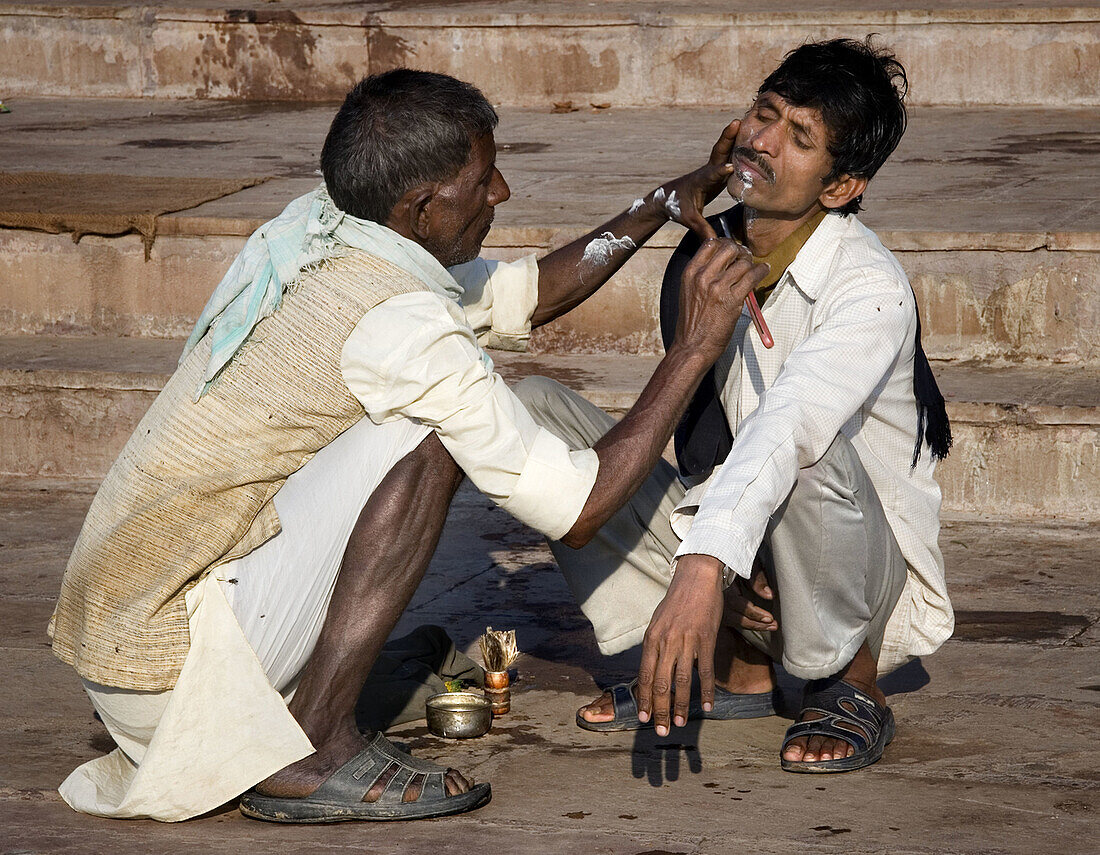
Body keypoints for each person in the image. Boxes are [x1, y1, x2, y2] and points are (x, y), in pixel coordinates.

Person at [48, 69, 767, 823]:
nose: (503, 194)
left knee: (431, 414)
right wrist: (693, 348)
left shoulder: (323, 228)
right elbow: (580, 507)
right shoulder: (403, 323)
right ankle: (314, 744)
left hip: (124, 649)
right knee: (436, 436)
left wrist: (659, 201)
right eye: (484, 180)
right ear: (422, 208)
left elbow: (529, 292)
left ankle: (289, 693)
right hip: (166, 671)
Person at [521, 37, 954, 773]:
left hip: (852, 567)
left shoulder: (867, 288)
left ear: (841, 187)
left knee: (808, 449)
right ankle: (735, 672)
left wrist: (702, 569)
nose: (763, 140)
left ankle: (854, 686)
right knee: (528, 410)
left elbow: (787, 428)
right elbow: (698, 441)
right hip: (747, 561)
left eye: (799, 137)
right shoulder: (709, 250)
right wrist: (724, 584)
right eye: (764, 113)